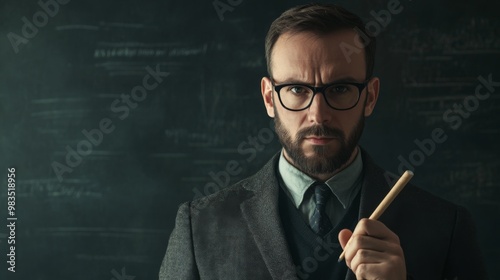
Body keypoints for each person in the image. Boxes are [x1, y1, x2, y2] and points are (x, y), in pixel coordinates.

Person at [159, 3, 487, 280]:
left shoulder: (445, 226)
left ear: (369, 97)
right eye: (297, 90)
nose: (319, 114)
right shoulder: (201, 227)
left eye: (340, 89)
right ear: (269, 98)